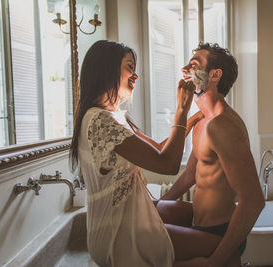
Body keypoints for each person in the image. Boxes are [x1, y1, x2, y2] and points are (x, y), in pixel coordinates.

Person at [69, 40, 204, 267]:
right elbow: (168, 164)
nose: (136, 75)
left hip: (122, 220)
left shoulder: (115, 116)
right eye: (130, 67)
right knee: (219, 247)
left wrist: (192, 120)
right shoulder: (100, 120)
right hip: (118, 232)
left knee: (191, 212)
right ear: (107, 69)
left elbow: (160, 149)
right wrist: (182, 110)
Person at [157, 42, 265, 267]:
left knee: (148, 241)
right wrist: (157, 207)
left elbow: (254, 201)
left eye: (194, 65)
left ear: (215, 75)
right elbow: (190, 176)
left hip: (219, 232)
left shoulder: (223, 126)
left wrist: (215, 261)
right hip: (198, 219)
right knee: (149, 215)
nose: (185, 69)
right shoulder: (203, 121)